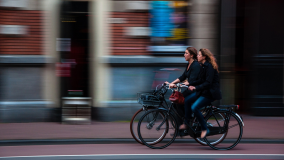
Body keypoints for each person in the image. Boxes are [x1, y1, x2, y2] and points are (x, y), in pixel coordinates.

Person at [179, 48, 222, 139]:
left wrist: (196, 87)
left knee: (194, 107)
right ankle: (187, 123)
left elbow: (208, 83)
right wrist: (190, 84)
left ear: (204, 57)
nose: (197, 56)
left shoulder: (209, 67)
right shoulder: (203, 66)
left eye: (199, 55)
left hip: (210, 93)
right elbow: (200, 80)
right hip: (203, 92)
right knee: (186, 100)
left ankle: (205, 129)